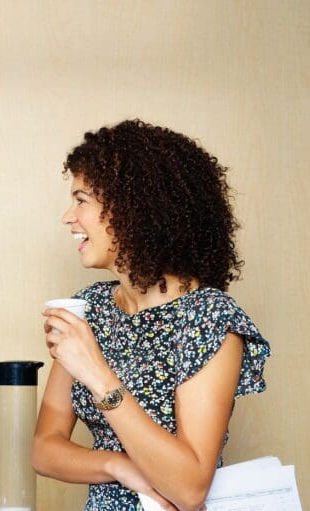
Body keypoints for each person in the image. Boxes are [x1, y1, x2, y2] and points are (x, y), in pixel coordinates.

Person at [32, 120, 270, 511]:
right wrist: (118, 465)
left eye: (82, 199)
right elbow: (44, 450)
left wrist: (96, 373)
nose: (68, 217)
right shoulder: (89, 310)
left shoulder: (209, 320)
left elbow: (190, 487)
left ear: (131, 208)